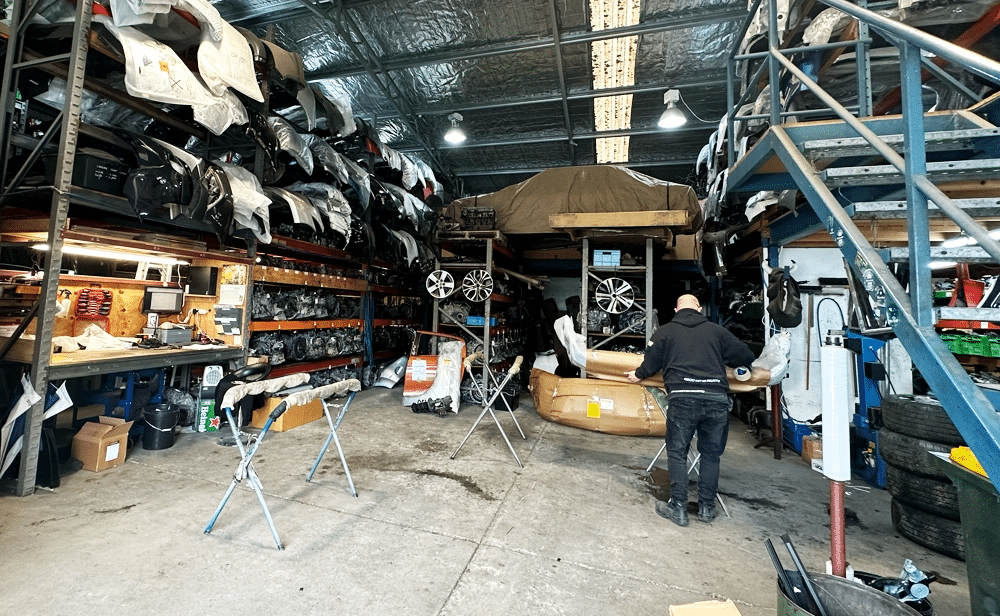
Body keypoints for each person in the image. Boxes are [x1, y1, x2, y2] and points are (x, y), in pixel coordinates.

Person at [626, 294, 754, 527]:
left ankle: (679, 508)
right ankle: (706, 508)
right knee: (711, 455)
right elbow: (745, 356)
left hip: (683, 399)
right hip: (716, 400)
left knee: (677, 453)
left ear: (676, 309)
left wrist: (638, 375)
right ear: (699, 308)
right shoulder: (717, 331)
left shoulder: (665, 332)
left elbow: (651, 362)